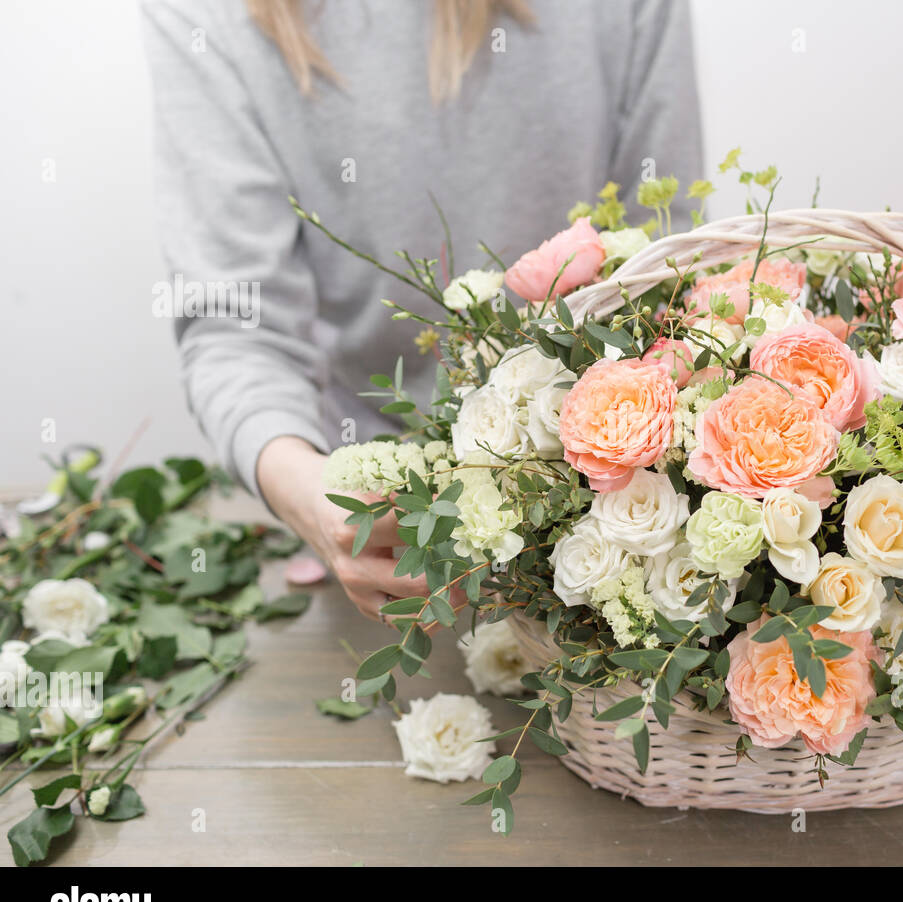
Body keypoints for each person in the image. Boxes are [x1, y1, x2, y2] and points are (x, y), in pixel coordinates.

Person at [141, 0, 703, 620]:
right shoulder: (205, 15)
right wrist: (311, 494)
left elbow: (670, 267)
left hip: (601, 511)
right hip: (383, 526)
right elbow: (240, 327)